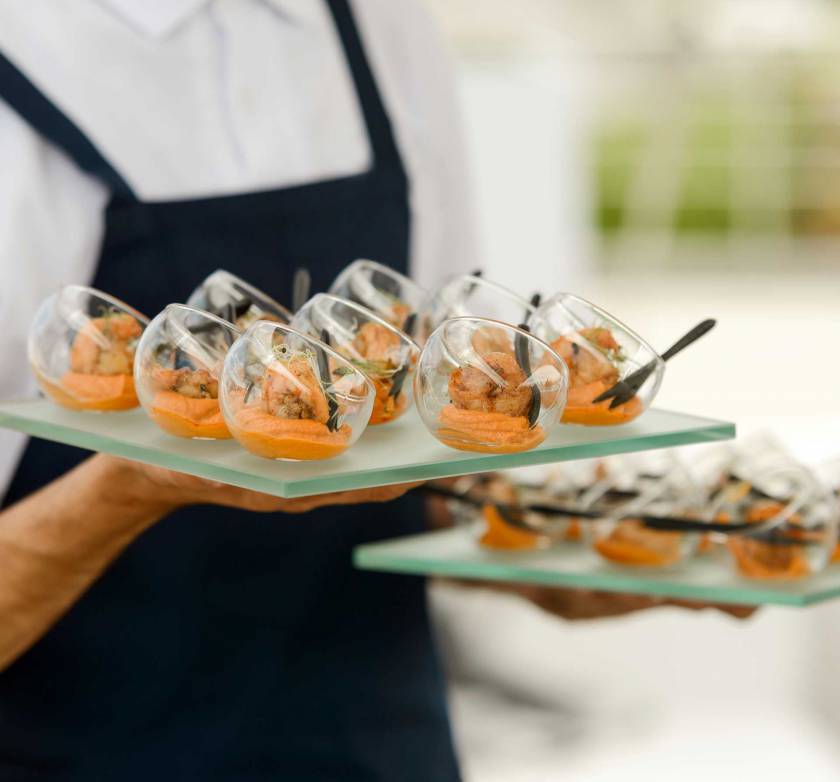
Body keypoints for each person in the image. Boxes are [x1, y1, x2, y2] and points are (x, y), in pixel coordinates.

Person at [0, 2, 750, 779]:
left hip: (378, 742)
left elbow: (425, 437)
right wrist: (125, 488)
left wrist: (553, 546)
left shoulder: (384, 23)